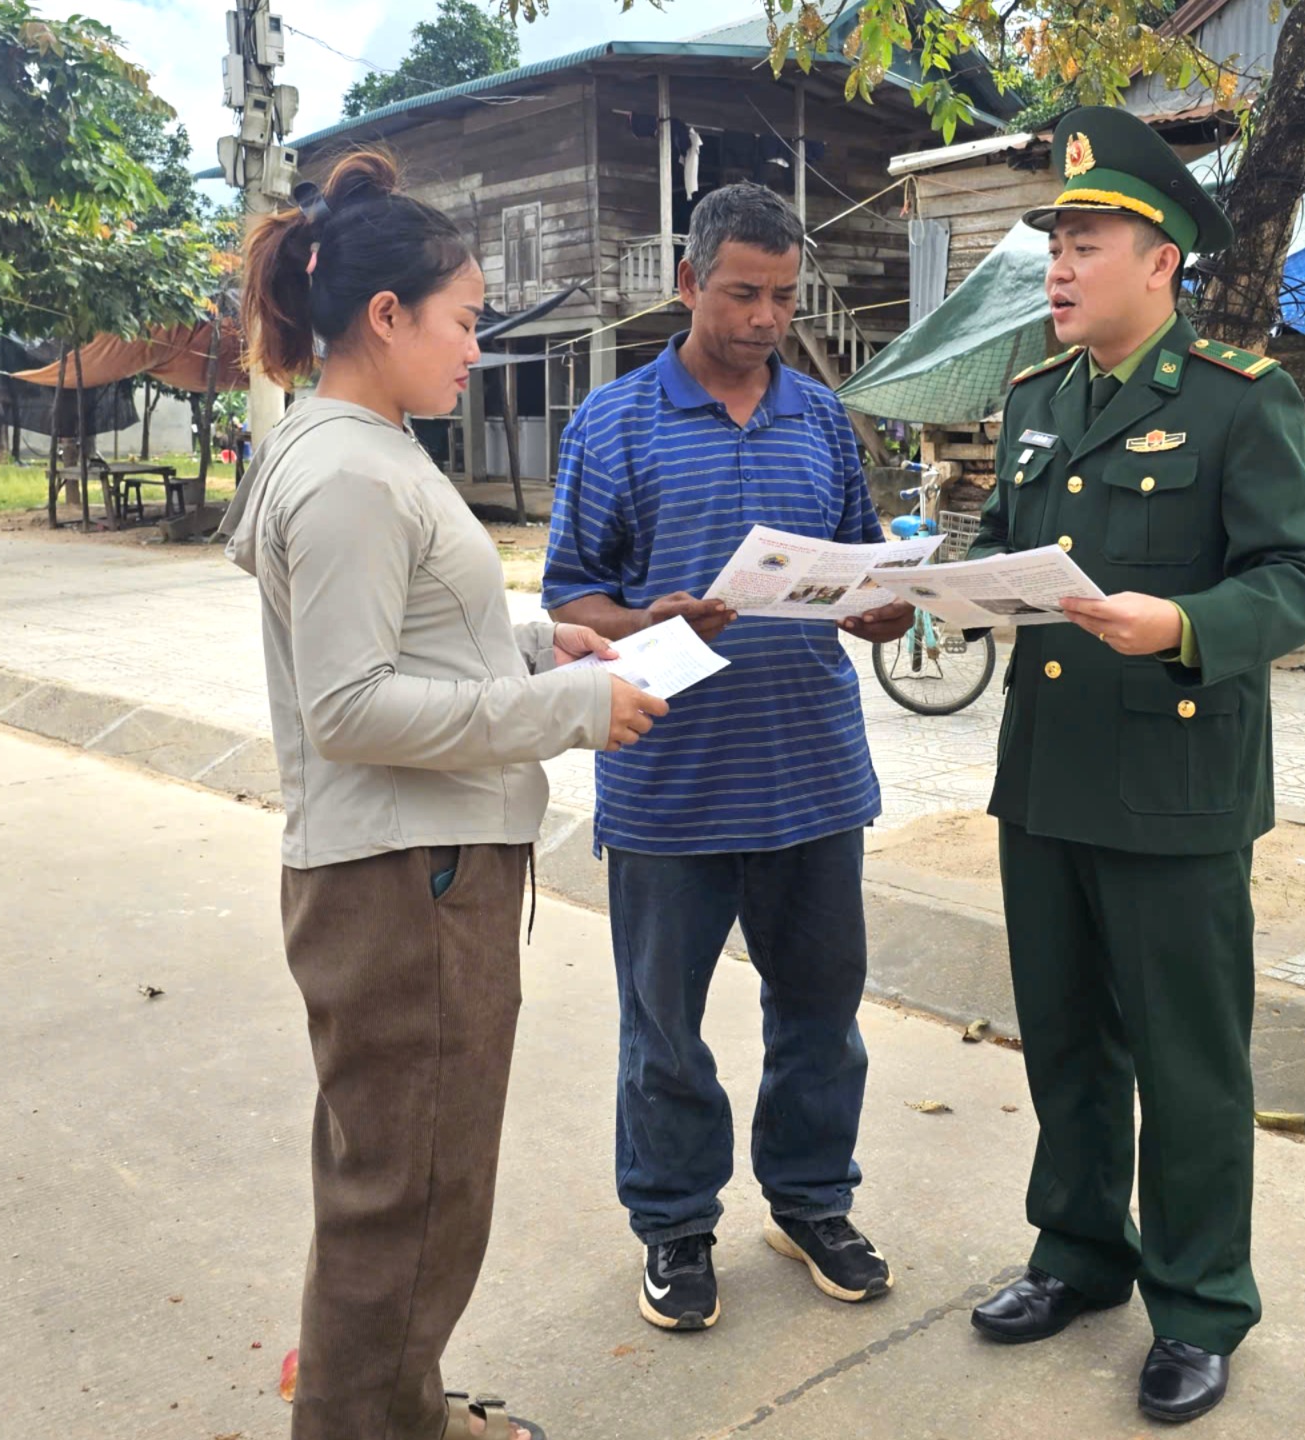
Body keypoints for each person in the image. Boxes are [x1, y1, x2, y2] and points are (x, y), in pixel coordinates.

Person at [227, 150, 669, 1440]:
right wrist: (569, 713)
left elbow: (417, 641)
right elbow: (350, 708)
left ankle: (393, 1409)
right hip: (403, 886)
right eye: (465, 322)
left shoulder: (366, 451)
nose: (476, 349)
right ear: (385, 317)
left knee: (402, 1182)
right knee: (412, 1196)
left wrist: (544, 647)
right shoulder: (354, 473)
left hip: (416, 870)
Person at [962, 107, 1305, 1424]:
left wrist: (1185, 626)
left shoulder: (1241, 400)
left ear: (1162, 260)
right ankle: (1077, 1255)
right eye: (1054, 243)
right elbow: (1002, 555)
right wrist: (923, 593)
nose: (1059, 266)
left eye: (1086, 241)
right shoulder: (1032, 401)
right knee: (1065, 1042)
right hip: (1049, 780)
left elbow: (1299, 581)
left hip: (1176, 790)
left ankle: (1199, 1303)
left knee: (1188, 1063)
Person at [541, 183, 915, 1333]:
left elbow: (861, 566)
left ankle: (809, 1202)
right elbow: (570, 597)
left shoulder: (819, 416)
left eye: (784, 296)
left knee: (820, 1017)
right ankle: (673, 1223)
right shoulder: (612, 423)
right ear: (689, 284)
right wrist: (643, 618)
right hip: (669, 778)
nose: (764, 317)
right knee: (663, 1028)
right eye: (744, 293)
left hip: (811, 770)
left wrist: (886, 608)